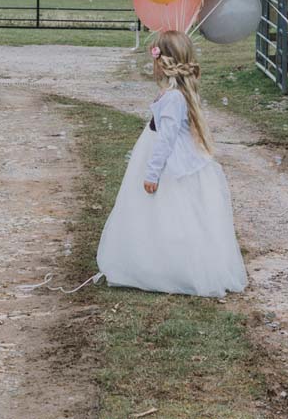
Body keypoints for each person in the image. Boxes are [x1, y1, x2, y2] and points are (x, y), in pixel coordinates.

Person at [96, 30, 247, 297]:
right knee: (170, 214)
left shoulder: (173, 97)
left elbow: (164, 141)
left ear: (161, 62)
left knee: (173, 213)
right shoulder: (177, 93)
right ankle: (162, 260)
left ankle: (172, 266)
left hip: (168, 166)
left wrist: (152, 173)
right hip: (175, 161)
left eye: (154, 57)